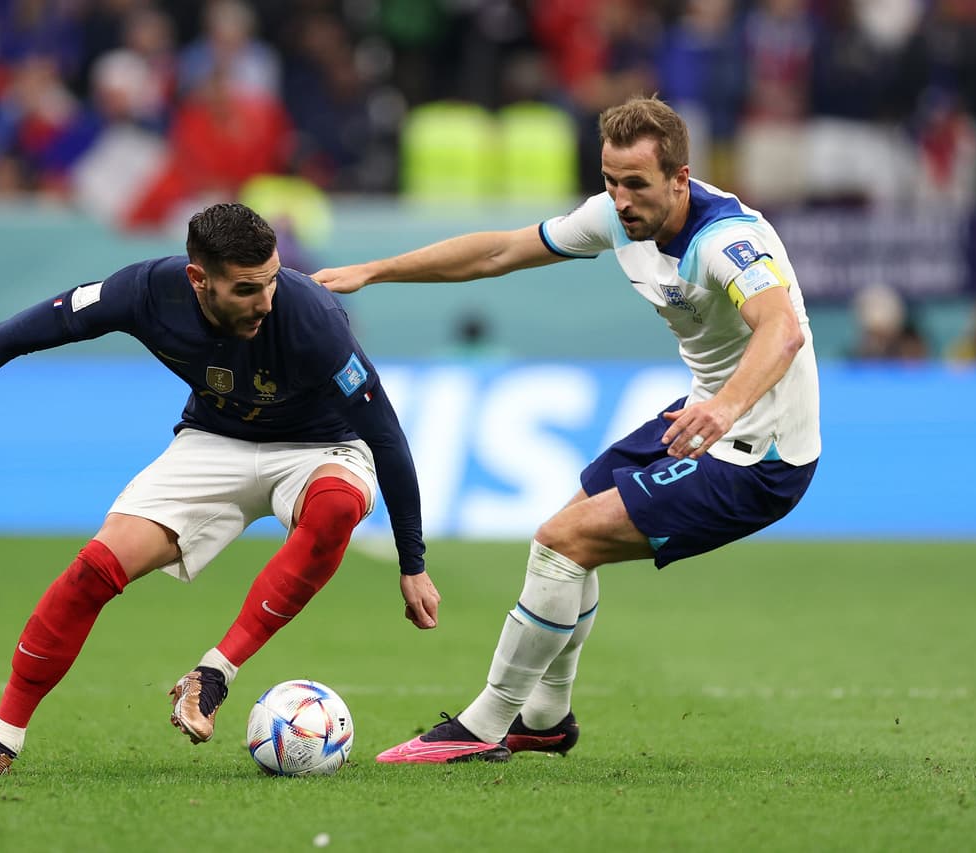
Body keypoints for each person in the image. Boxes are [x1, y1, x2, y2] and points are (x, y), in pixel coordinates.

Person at [0, 202, 438, 775]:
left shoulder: (313, 317)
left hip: (321, 447)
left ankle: (214, 674)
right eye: (245, 289)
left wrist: (412, 562)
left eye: (272, 281)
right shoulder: (144, 292)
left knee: (335, 507)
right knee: (93, 570)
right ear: (199, 280)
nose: (265, 301)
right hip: (214, 441)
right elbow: (11, 337)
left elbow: (385, 436)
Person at [313, 95, 820, 763]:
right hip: (702, 414)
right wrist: (377, 271)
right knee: (566, 531)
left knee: (562, 542)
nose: (620, 199)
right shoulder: (615, 216)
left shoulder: (725, 241)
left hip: (760, 455)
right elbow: (499, 251)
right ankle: (547, 718)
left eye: (636, 183)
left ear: (680, 178)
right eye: (610, 180)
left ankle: (484, 724)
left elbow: (782, 330)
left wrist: (725, 407)